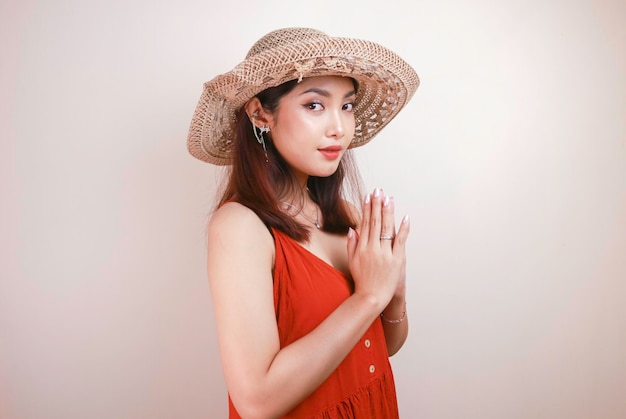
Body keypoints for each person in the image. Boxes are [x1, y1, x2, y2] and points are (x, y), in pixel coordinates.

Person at [187, 27, 419, 419]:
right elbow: (257, 401)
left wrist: (392, 291)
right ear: (261, 113)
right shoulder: (240, 226)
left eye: (346, 105)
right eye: (315, 105)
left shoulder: (346, 215)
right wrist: (368, 298)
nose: (339, 128)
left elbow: (385, 344)